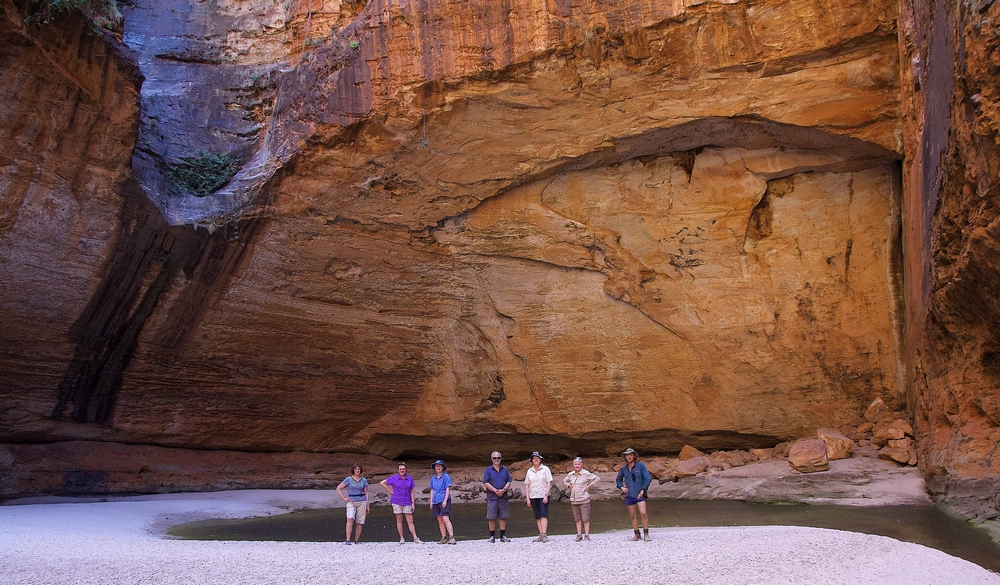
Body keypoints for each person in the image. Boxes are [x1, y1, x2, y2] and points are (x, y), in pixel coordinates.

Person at [615, 447, 652, 541]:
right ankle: (636, 534)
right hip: (629, 495)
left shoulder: (640, 466)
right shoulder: (624, 469)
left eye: (631, 455)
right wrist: (622, 487)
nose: (629, 457)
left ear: (634, 456)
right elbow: (618, 479)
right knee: (632, 515)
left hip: (640, 494)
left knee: (643, 513)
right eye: (627, 455)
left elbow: (648, 478)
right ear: (625, 457)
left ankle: (646, 533)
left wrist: (643, 490)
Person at [380, 462, 422, 544]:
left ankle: (415, 538)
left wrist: (413, 503)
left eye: (403, 469)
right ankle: (402, 538)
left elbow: (412, 491)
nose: (402, 470)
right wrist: (389, 490)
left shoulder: (409, 479)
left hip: (407, 501)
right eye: (400, 469)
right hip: (397, 501)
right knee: (399, 520)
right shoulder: (394, 478)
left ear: (406, 470)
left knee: (410, 520)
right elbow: (382, 482)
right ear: (398, 470)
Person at [563, 456, 600, 541]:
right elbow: (565, 480)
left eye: (579, 464)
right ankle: (579, 534)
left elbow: (597, 479)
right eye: (575, 464)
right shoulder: (570, 474)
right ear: (573, 465)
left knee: (585, 518)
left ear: (582, 465)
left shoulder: (586, 473)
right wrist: (568, 485)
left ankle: (586, 535)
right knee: (577, 518)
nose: (577, 465)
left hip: (584, 499)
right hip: (574, 499)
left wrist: (589, 486)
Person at [335, 463, 369, 544]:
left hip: (362, 501)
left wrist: (368, 505)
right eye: (356, 469)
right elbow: (338, 488)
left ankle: (356, 540)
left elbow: (366, 493)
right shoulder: (348, 479)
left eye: (358, 469)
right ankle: (348, 539)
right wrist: (343, 498)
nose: (357, 470)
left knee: (360, 521)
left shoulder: (364, 480)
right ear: (353, 470)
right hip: (351, 501)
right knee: (350, 518)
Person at [482, 450, 512, 543]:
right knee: (492, 517)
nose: (496, 459)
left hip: (503, 496)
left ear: (501, 458)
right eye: (495, 458)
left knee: (503, 516)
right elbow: (485, 482)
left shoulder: (505, 470)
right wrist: (495, 490)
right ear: (492, 459)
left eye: (498, 458)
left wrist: (504, 490)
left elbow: (509, 481)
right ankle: (492, 536)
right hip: (492, 496)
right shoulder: (488, 470)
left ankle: (503, 536)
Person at [523, 451, 553, 542]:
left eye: (537, 458)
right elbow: (527, 485)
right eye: (534, 458)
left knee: (544, 514)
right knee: (537, 515)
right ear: (532, 460)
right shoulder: (529, 471)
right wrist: (527, 498)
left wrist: (546, 495)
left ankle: (544, 534)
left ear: (540, 459)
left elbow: (549, 482)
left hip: (543, 494)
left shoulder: (545, 469)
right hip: (533, 495)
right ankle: (540, 534)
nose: (536, 460)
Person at [429, 459, 456, 544]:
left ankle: (451, 537)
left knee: (445, 518)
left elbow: (448, 489)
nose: (438, 467)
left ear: (442, 467)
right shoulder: (433, 478)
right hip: (436, 501)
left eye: (439, 466)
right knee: (440, 519)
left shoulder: (446, 477)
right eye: (437, 466)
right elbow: (432, 490)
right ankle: (443, 537)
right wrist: (431, 501)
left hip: (444, 499)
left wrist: (445, 500)